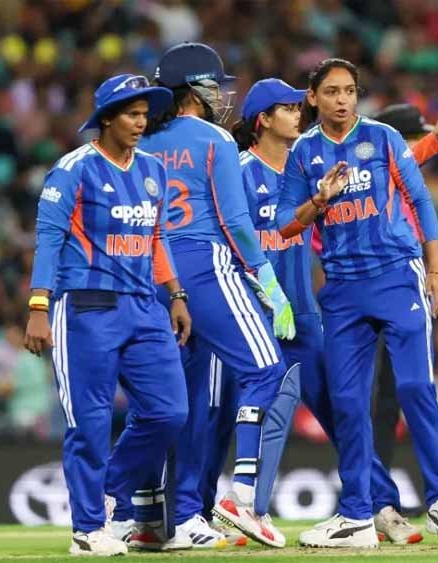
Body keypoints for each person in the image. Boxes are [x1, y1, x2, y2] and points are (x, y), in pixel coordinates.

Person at [107, 42, 296, 550]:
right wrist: (267, 280)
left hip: (148, 270)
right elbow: (234, 220)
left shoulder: (143, 141)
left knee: (170, 401)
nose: (221, 94)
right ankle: (240, 497)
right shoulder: (213, 138)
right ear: (193, 89)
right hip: (203, 262)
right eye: (214, 84)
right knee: (266, 370)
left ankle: (156, 517)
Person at [277, 57, 438, 548]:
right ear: (313, 97)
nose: (342, 99)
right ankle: (358, 515)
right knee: (346, 403)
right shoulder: (302, 152)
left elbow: (420, 200)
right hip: (342, 290)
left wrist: (435, 269)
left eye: (349, 90)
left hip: (396, 276)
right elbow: (284, 224)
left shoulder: (383, 137)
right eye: (332, 91)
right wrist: (318, 201)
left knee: (415, 387)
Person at [24, 73, 190, 556]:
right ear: (107, 119)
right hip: (86, 305)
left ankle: (110, 493)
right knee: (90, 421)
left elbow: (156, 237)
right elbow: (48, 240)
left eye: (144, 115)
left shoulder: (153, 170)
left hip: (145, 306)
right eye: (132, 115)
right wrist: (38, 305)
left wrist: (176, 294)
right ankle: (87, 528)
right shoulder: (73, 169)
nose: (141, 123)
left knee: (169, 412)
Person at [369, 101, 438, 474]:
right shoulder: (378, 177)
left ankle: (384, 485)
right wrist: (435, 140)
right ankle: (369, 484)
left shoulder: (409, 188)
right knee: (376, 397)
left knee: (397, 394)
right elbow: (402, 163)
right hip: (372, 292)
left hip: (407, 292)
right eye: (417, 137)